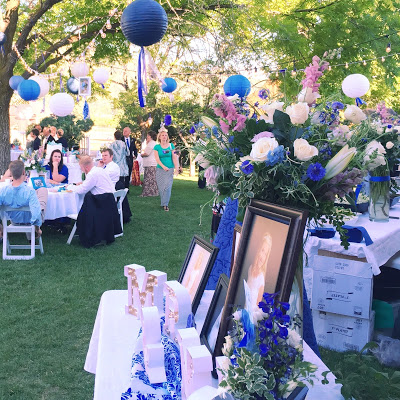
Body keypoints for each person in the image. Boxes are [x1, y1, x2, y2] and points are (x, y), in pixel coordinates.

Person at [0, 160, 47, 239]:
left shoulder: (3, 191)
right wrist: (37, 228)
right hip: (30, 221)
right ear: (23, 172)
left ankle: (30, 236)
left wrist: (0, 226)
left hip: (14, 221)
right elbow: (35, 213)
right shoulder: (29, 191)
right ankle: (31, 236)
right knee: (42, 193)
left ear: (11, 173)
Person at [153, 126, 179, 211]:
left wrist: (176, 168)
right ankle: (163, 202)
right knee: (162, 187)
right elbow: (157, 159)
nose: (164, 137)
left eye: (166, 135)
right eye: (163, 135)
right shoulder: (157, 147)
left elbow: (174, 157)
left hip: (169, 169)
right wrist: (163, 167)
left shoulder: (171, 146)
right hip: (160, 170)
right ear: (159, 137)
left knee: (168, 187)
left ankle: (165, 204)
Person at [246, 233, 272, 310]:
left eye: (265, 254)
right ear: (258, 250)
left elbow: (258, 304)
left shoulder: (261, 278)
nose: (262, 256)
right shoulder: (250, 268)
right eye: (262, 250)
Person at [140, 130, 158, 197]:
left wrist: (142, 154)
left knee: (148, 179)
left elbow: (147, 153)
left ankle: (148, 193)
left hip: (150, 163)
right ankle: (153, 192)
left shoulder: (151, 143)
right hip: (153, 163)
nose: (147, 137)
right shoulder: (154, 143)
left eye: (148, 135)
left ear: (150, 136)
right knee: (152, 179)